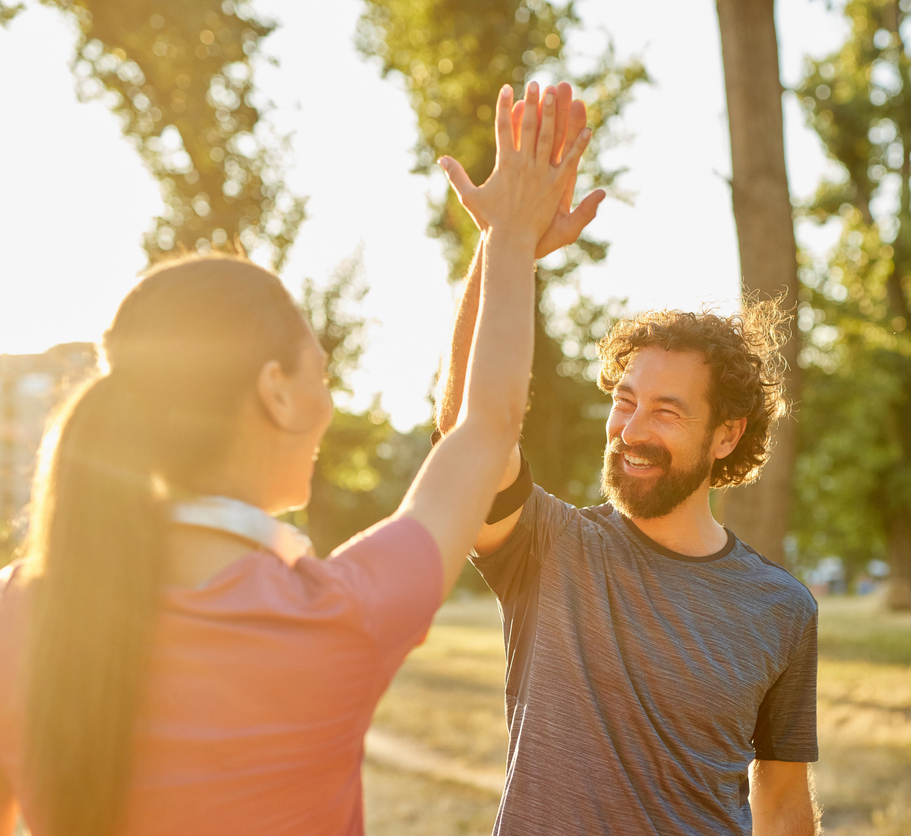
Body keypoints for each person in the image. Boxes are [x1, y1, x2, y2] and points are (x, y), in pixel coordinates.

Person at [0, 81, 596, 836]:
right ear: (276, 393)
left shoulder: (16, 610)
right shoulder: (337, 617)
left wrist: (504, 236)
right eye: (323, 373)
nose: (329, 404)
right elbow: (484, 428)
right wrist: (508, 240)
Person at [435, 176, 821, 832]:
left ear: (725, 434)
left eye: (666, 411)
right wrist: (504, 246)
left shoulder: (781, 609)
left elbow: (782, 802)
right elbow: (469, 433)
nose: (632, 428)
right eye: (624, 400)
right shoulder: (550, 549)